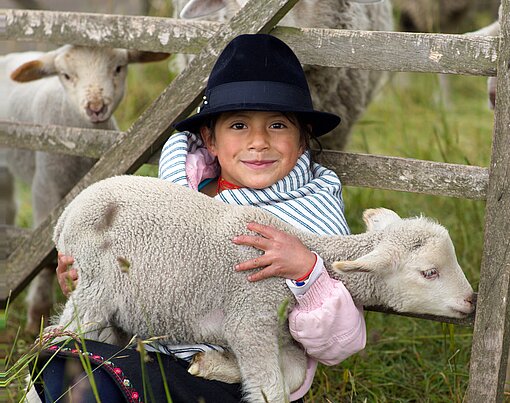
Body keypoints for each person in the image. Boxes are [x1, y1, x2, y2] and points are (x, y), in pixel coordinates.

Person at [39, 33, 366, 403]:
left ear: (303, 138)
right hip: (153, 354)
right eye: (239, 125)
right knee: (67, 372)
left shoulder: (311, 213)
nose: (258, 141)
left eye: (277, 125)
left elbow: (340, 342)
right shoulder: (174, 197)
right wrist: (90, 275)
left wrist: (308, 271)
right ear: (210, 139)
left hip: (240, 378)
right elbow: (130, 280)